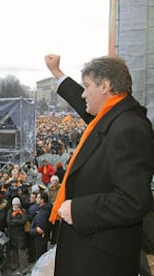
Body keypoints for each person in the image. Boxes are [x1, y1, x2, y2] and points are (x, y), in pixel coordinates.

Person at [45, 54, 154, 275]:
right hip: (94, 252)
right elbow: (83, 103)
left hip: (101, 261)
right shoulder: (114, 116)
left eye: (87, 86)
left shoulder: (128, 128)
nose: (83, 93)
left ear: (105, 86)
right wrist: (57, 74)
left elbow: (134, 201)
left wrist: (77, 209)